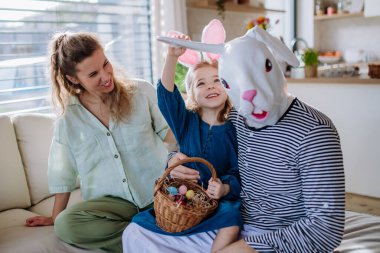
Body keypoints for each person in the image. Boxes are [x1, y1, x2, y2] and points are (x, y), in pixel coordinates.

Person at [122, 20, 345, 253]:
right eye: (232, 80)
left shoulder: (315, 130)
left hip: (276, 234)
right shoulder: (238, 117)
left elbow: (325, 230)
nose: (249, 95)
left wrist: (246, 246)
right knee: (136, 234)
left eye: (218, 81)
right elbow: (173, 108)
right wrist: (173, 157)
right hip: (228, 219)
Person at [25, 31, 176, 253]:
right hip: (114, 205)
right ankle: (152, 239)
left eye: (106, 64)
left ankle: (147, 235)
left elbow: (170, 135)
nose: (106, 76)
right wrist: (55, 216)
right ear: (73, 78)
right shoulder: (69, 119)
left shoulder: (141, 92)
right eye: (94, 73)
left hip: (158, 191)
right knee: (66, 225)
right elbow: (63, 172)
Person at [124, 34, 241, 252]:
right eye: (201, 83)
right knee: (139, 223)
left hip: (217, 201)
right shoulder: (185, 122)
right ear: (193, 95)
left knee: (233, 217)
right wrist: (171, 57)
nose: (210, 87)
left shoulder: (235, 128)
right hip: (183, 197)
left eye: (217, 80)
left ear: (228, 86)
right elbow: (166, 95)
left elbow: (238, 170)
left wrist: (224, 188)